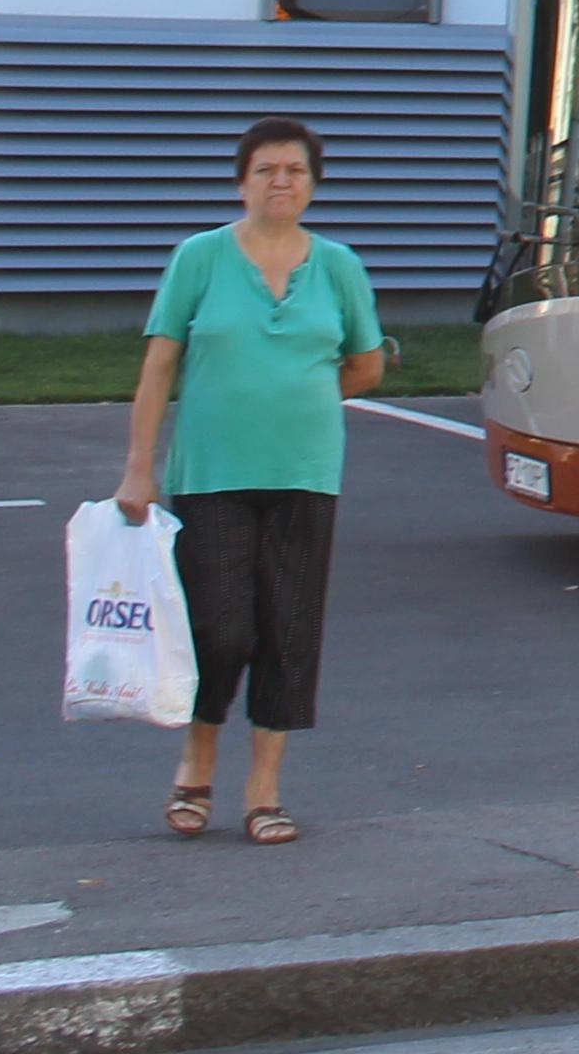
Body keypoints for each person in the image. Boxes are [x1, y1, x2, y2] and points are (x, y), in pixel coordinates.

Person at [117, 119, 382, 846]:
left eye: (294, 170)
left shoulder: (338, 266)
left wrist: (300, 399)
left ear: (312, 185)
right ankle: (196, 758)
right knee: (222, 626)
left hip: (305, 474)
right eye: (265, 170)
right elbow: (159, 366)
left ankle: (264, 789)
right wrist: (139, 466)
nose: (280, 182)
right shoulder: (200, 258)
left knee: (289, 631)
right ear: (242, 182)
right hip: (212, 474)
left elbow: (365, 365)